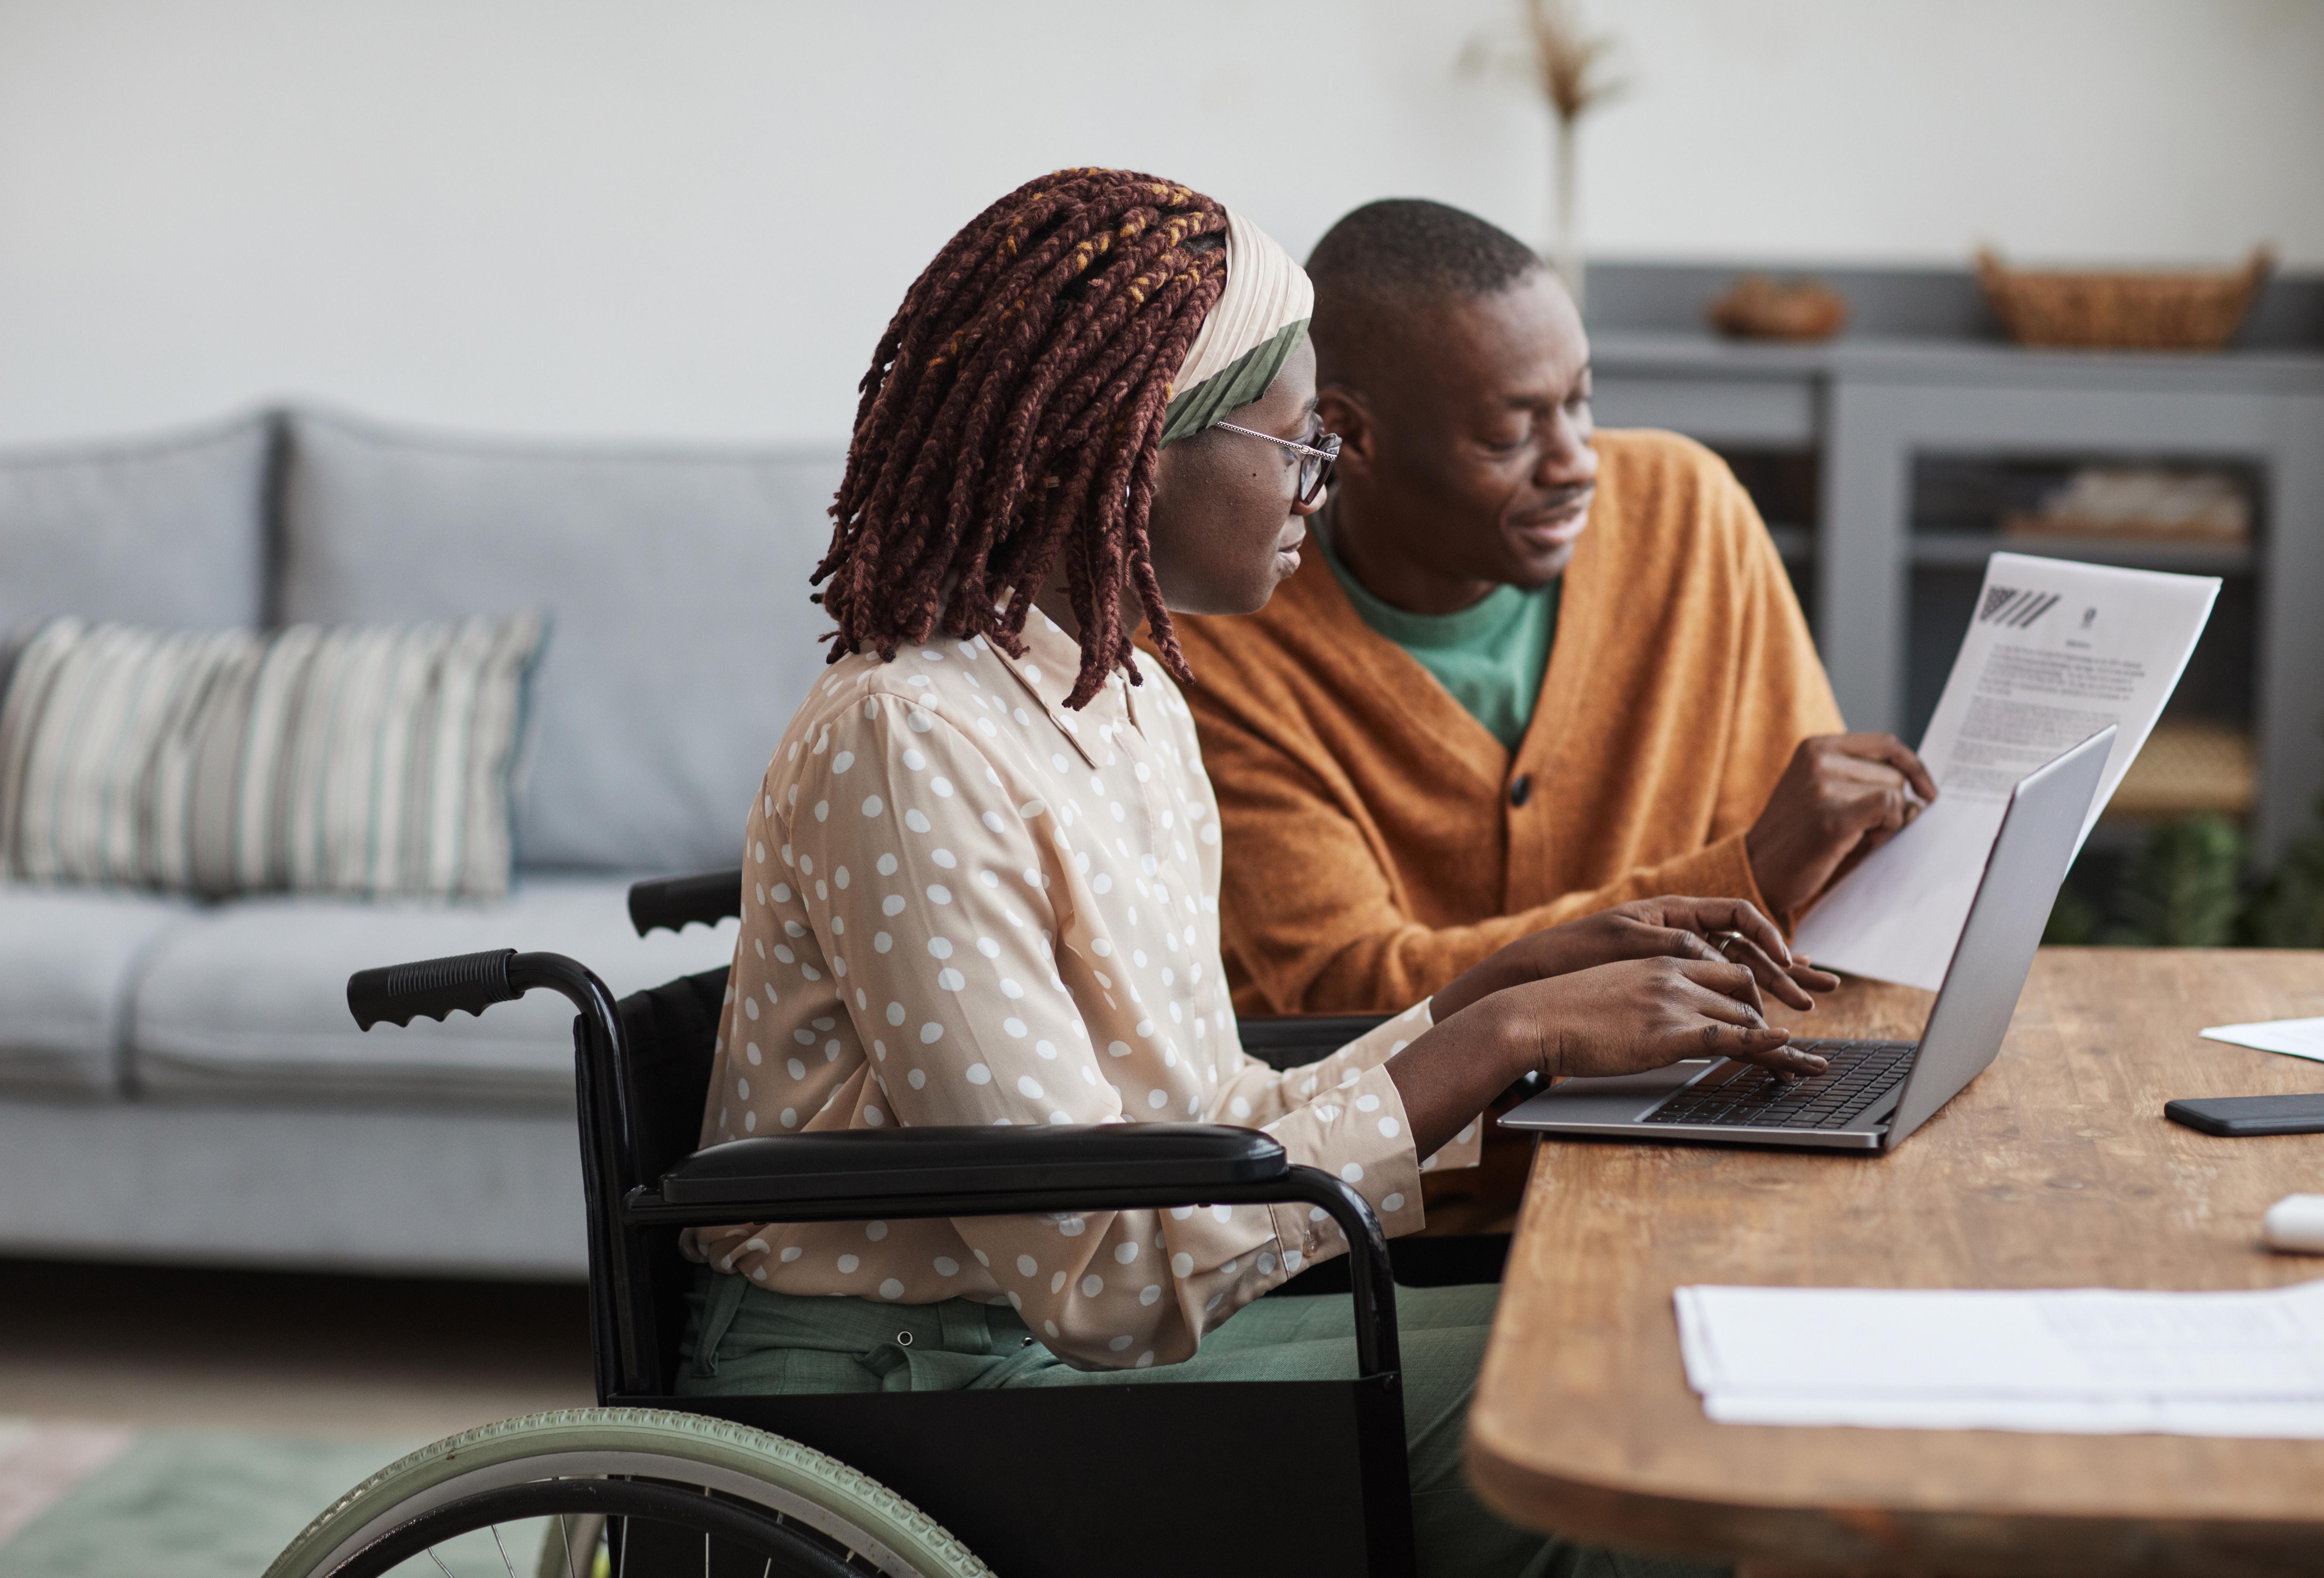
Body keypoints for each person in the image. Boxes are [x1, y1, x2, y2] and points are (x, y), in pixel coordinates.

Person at [680, 168, 1831, 1577]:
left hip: (1067, 1336)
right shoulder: (909, 742)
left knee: (1662, 1344)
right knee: (1631, 1424)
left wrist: (1499, 995)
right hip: (931, 1380)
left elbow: (1209, 1119)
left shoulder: (1129, 696)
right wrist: (1502, 1038)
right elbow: (1094, 1270)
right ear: (1132, 453)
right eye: (1300, 446)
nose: (1323, 483)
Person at [1170, 199, 1937, 1020]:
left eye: (1580, 401)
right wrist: (1741, 878)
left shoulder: (1687, 512)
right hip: (1405, 1145)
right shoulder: (1217, 638)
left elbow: (1823, 894)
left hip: (1695, 1091)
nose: (1576, 464)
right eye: (1509, 436)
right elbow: (1346, 994)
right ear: (1353, 436)